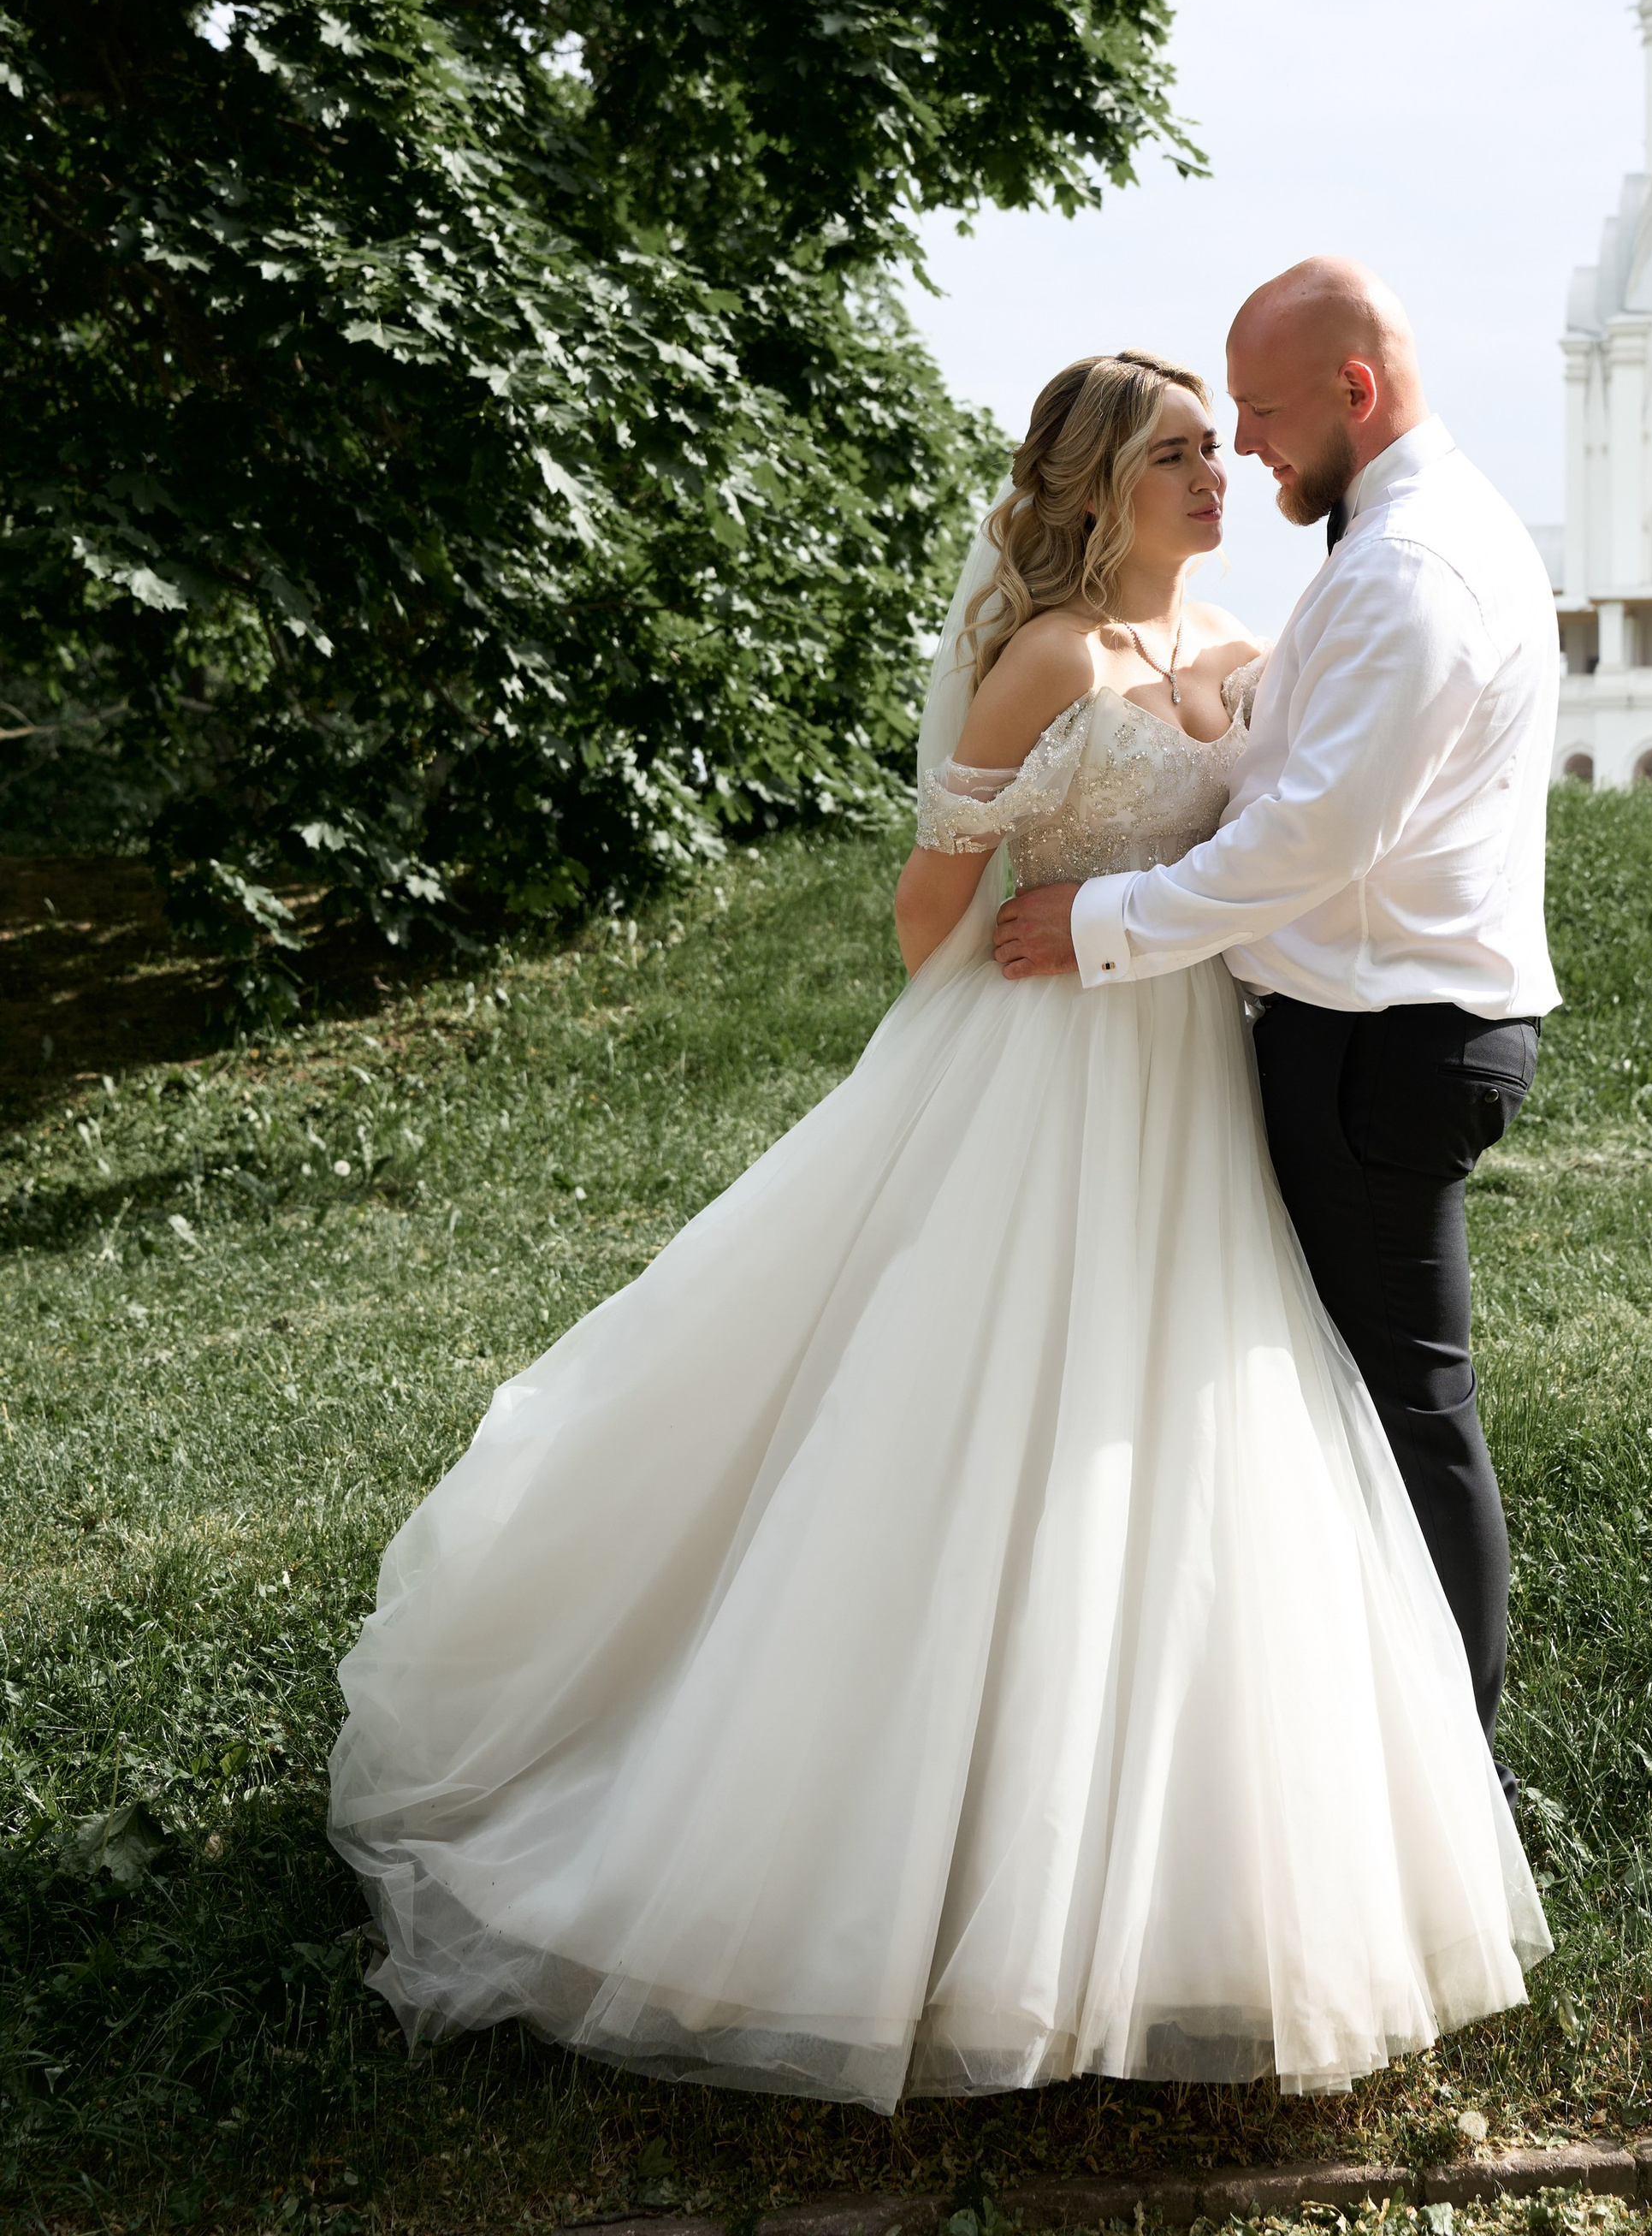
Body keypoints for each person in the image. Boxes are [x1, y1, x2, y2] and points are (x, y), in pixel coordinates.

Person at [329, 347, 1547, 2114]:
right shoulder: (1045, 659)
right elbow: (931, 907)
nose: (1214, 477)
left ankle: (1176, 1897)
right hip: (1045, 1063)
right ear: (1097, 487)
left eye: (1217, 450)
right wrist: (1006, 1002)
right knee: (979, 1409)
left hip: (1193, 1079)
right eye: (1175, 456)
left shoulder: (1241, 652)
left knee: (1180, 1430)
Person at [995, 261, 1562, 1794]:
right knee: (1347, 1400)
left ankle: (1445, 1779)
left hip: (1382, 1041)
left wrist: (1101, 922)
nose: (1244, 450)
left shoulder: (1409, 570)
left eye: (1255, 413)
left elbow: (1312, 840)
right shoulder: (1407, 540)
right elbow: (1291, 771)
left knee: (1401, 1410)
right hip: (1379, 1024)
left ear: (1353, 393)